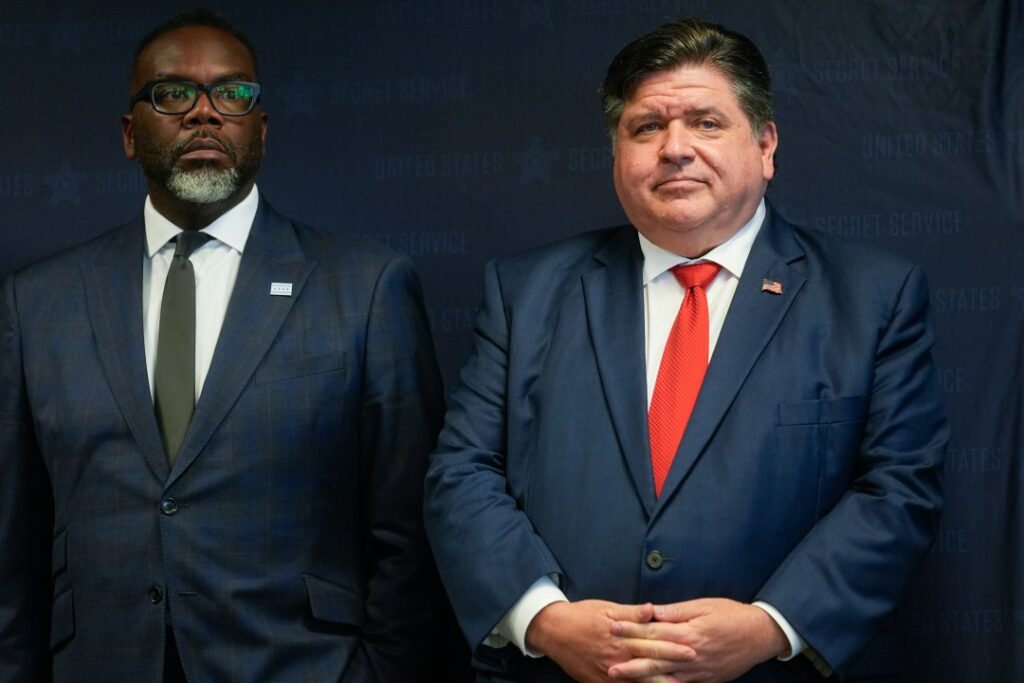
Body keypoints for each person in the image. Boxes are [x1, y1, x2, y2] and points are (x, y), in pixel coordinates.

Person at [424, 17, 947, 683]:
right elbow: (462, 472)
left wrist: (769, 626)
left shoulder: (875, 297)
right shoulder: (524, 291)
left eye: (705, 122)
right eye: (646, 127)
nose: (675, 148)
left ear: (765, 144)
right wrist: (544, 618)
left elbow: (898, 491)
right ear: (616, 151)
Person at [0, 9, 454, 682]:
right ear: (130, 134)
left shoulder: (365, 287)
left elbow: (412, 534)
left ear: (261, 131)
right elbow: (15, 545)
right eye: (173, 93)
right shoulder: (38, 303)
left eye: (233, 94)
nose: (204, 114)